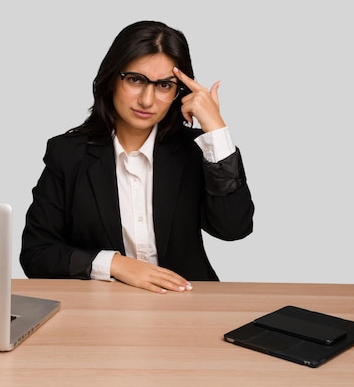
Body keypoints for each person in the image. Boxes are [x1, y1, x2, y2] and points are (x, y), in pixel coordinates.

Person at [20, 20, 254, 294]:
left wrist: (216, 131)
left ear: (179, 93)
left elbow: (233, 228)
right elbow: (36, 255)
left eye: (164, 85)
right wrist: (115, 265)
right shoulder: (68, 154)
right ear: (111, 80)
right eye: (135, 80)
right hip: (101, 307)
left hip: (187, 304)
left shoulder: (197, 151)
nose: (147, 100)